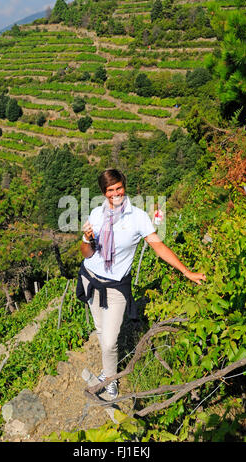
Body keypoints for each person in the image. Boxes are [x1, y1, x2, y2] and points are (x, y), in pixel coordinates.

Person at [76, 169, 206, 399]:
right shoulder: (96, 214)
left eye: (118, 188)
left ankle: (110, 382)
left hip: (115, 287)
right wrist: (86, 239)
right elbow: (87, 254)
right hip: (90, 279)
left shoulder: (138, 218)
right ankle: (108, 373)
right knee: (100, 330)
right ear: (103, 193)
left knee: (108, 340)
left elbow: (159, 247)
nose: (115, 193)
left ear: (124, 186)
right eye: (110, 190)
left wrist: (186, 272)